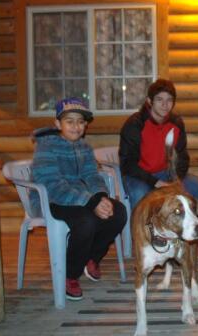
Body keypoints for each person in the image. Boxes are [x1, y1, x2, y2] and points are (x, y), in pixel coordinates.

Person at [119, 78, 198, 266]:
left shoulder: (177, 123)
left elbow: (183, 157)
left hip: (167, 174)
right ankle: (145, 245)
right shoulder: (134, 125)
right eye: (160, 100)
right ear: (149, 101)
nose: (165, 104)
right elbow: (127, 163)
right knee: (140, 195)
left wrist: (176, 178)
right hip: (140, 175)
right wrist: (155, 182)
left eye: (169, 100)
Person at [32, 97, 127, 301]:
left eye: (80, 122)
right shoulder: (46, 147)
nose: (76, 126)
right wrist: (91, 202)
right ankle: (70, 274)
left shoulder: (84, 148)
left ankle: (91, 257)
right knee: (86, 221)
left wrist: (101, 197)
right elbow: (53, 186)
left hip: (78, 198)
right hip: (50, 200)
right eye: (69, 121)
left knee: (118, 212)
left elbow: (93, 176)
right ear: (58, 123)